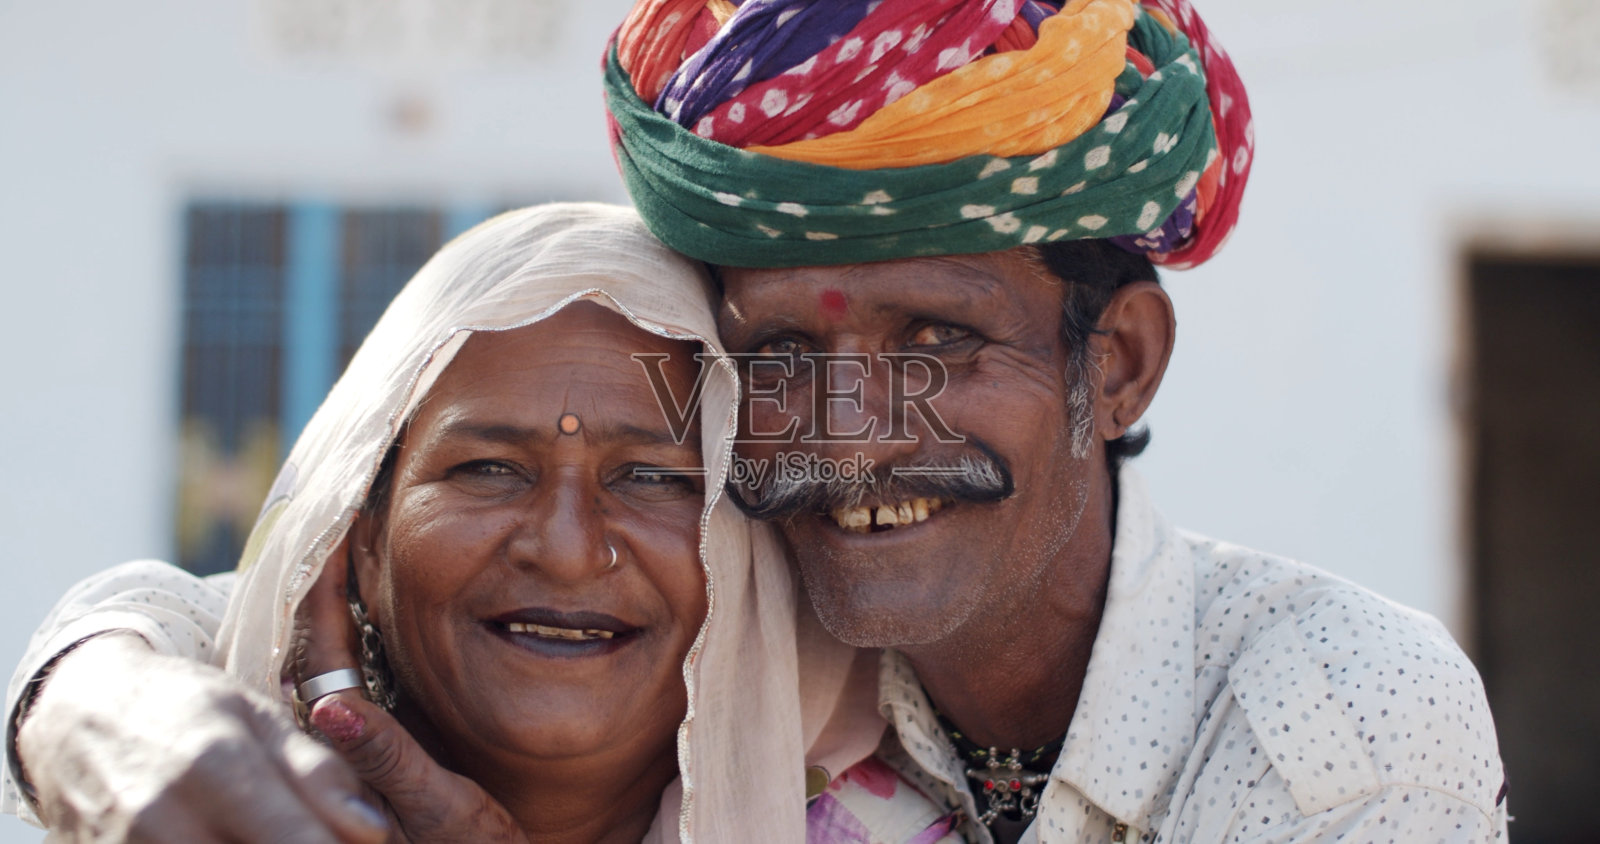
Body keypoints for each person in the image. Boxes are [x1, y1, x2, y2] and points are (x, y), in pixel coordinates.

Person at [8, 0, 1510, 841]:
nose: (848, 434)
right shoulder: (771, 616)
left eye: (938, 338)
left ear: (1114, 363)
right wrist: (89, 697)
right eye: (777, 350)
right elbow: (279, 609)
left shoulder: (1334, 712)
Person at [3, 203, 898, 843]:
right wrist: (89, 691)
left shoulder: (906, 819)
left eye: (656, 478)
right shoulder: (202, 805)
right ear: (356, 532)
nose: (565, 546)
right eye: (489, 470)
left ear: (748, 550)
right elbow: (165, 628)